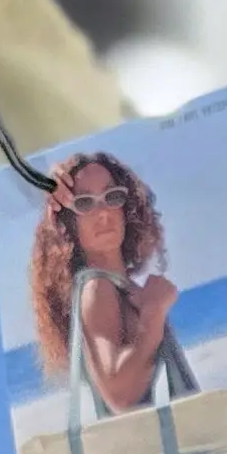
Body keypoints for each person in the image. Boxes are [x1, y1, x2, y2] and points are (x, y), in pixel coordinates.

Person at [34, 151, 178, 416]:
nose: (103, 213)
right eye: (85, 203)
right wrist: (154, 311)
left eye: (112, 198)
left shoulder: (118, 287)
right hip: (150, 451)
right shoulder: (97, 288)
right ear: (69, 222)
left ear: (127, 209)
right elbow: (119, 395)